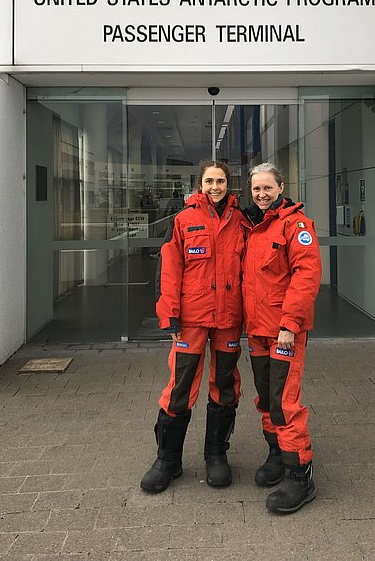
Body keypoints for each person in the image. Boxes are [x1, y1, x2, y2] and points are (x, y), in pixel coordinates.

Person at [140, 160, 248, 494]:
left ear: (228, 184)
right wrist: (169, 316)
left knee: (225, 385)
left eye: (220, 181)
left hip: (229, 318)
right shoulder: (184, 220)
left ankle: (216, 454)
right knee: (180, 385)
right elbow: (169, 271)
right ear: (200, 184)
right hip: (191, 320)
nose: (214, 186)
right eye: (208, 181)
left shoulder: (242, 222)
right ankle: (167, 459)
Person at [242, 162, 322, 514]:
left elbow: (306, 277)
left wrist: (290, 324)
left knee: (285, 402)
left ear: (281, 187)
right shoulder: (254, 226)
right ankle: (276, 453)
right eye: (256, 188)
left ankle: (299, 475)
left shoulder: (296, 225)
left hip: (284, 332)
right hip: (257, 330)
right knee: (266, 399)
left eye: (267, 188)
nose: (261, 194)